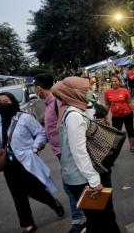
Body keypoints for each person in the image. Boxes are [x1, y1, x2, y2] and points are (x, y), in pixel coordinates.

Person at [0, 92, 64, 233]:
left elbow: (40, 133)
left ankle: (52, 202)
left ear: (13, 102)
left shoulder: (25, 118)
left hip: (26, 161)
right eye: (0, 101)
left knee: (34, 189)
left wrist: (35, 147)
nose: (3, 103)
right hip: (8, 165)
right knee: (17, 194)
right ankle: (27, 223)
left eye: (6, 100)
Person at [52, 77, 120, 233]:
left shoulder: (75, 109)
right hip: (83, 179)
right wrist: (94, 180)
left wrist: (89, 103)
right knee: (103, 218)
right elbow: (79, 152)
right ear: (74, 93)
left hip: (83, 176)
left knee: (100, 218)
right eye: (86, 90)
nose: (90, 92)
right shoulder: (74, 116)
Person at [33, 74, 86, 233]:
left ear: (38, 87)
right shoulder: (48, 103)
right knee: (72, 185)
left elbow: (67, 126)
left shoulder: (57, 101)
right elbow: (51, 129)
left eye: (34, 86)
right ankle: (83, 217)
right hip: (59, 152)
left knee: (72, 185)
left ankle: (80, 220)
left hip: (66, 152)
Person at [104, 75, 134, 152]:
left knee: (130, 130)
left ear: (119, 82)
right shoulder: (107, 93)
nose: (114, 83)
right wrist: (105, 115)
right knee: (116, 133)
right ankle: (115, 149)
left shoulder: (124, 90)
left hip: (127, 115)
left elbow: (130, 102)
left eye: (115, 81)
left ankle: (132, 147)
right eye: (112, 81)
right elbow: (107, 104)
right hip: (116, 117)